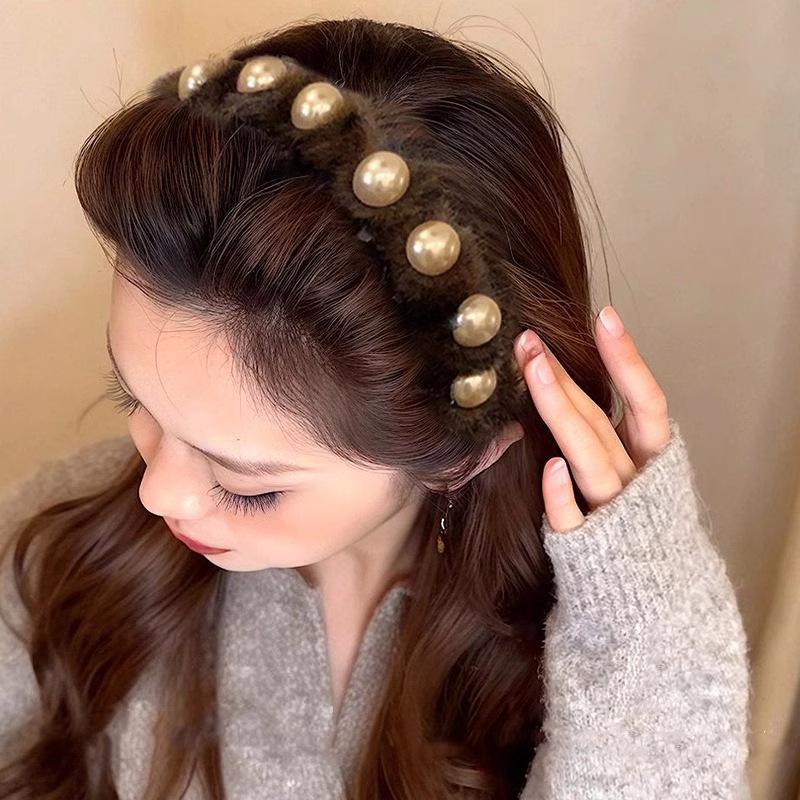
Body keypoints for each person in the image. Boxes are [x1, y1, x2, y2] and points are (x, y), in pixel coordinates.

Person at [0, 17, 751, 800]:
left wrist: (644, 622)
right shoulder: (69, 552)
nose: (157, 492)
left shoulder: (574, 655)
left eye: (246, 483)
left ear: (462, 454)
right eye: (137, 401)